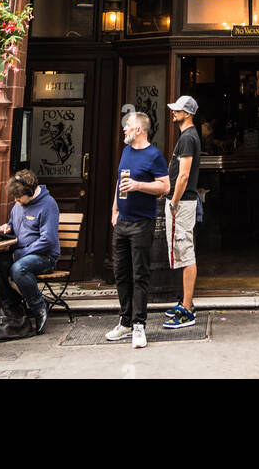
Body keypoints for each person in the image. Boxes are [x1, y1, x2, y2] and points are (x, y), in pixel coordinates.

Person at [105, 109, 170, 349]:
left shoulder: (154, 156)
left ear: (139, 130)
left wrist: (139, 185)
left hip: (142, 222)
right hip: (122, 222)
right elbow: (120, 181)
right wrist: (114, 209)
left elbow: (165, 186)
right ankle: (125, 321)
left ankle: (139, 325)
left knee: (139, 273)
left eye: (128, 125)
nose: (124, 128)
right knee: (121, 273)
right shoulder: (126, 151)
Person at [0, 169, 60, 335]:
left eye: (19, 197)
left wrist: (20, 254)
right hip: (19, 253)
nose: (16, 200)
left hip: (44, 257)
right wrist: (6, 228)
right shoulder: (19, 204)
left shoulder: (48, 204)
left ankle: (38, 306)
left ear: (30, 191)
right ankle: (14, 304)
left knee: (18, 268)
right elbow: (13, 225)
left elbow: (48, 240)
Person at [163, 95, 201, 330]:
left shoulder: (187, 138)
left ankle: (187, 309)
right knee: (183, 250)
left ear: (187, 113)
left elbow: (184, 175)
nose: (173, 112)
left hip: (183, 203)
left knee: (185, 253)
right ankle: (186, 302)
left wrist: (173, 201)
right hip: (183, 201)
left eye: (177, 110)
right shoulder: (188, 136)